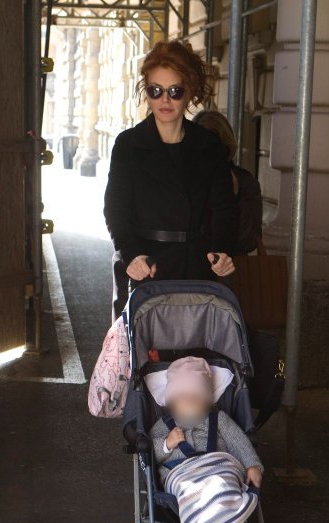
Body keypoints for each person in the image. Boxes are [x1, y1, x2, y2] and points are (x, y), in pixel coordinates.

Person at [104, 40, 239, 319]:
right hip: (146, 269)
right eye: (155, 91)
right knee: (145, 345)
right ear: (146, 92)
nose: (164, 100)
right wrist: (131, 253)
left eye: (175, 91)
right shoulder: (128, 145)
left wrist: (222, 251)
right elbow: (116, 208)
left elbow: (224, 209)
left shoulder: (209, 146)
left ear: (190, 91)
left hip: (197, 270)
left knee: (197, 345)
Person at [149, 356, 263, 523]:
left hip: (219, 467)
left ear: (208, 400)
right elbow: (149, 455)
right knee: (189, 492)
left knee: (224, 486)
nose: (189, 401)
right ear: (171, 401)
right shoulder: (163, 425)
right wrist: (166, 444)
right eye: (182, 398)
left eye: (196, 397)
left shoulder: (219, 419)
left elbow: (239, 441)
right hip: (182, 473)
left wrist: (252, 464)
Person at [192, 110, 263, 255]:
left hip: (230, 265)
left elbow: (249, 241)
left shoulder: (244, 182)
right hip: (189, 264)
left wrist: (234, 198)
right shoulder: (184, 179)